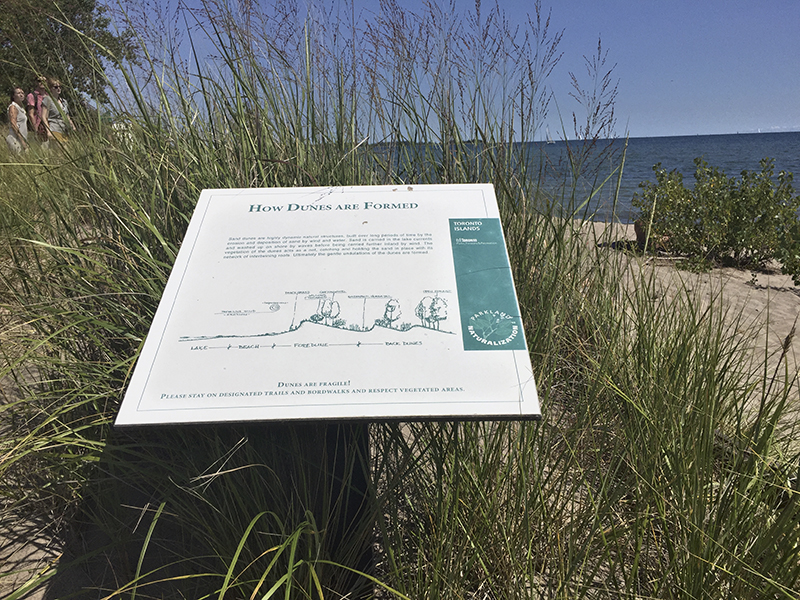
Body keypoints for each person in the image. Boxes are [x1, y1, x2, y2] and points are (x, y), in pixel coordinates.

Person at [41, 78, 75, 144]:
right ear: (50, 89)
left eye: (60, 87)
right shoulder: (47, 100)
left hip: (64, 130)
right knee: (60, 151)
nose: (58, 88)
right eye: (56, 87)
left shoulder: (64, 102)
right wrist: (48, 131)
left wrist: (72, 126)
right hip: (54, 128)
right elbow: (44, 117)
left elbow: (67, 116)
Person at [26, 76, 48, 147]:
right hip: (38, 127)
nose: (42, 83)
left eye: (44, 81)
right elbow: (31, 114)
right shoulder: (32, 96)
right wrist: (35, 129)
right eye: (39, 81)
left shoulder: (49, 96)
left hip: (48, 127)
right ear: (36, 82)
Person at [6, 87, 29, 153]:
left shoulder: (21, 108)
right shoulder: (13, 107)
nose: (21, 95)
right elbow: (13, 124)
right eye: (18, 93)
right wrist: (22, 141)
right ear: (13, 96)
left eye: (22, 93)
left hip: (22, 138)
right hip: (15, 139)